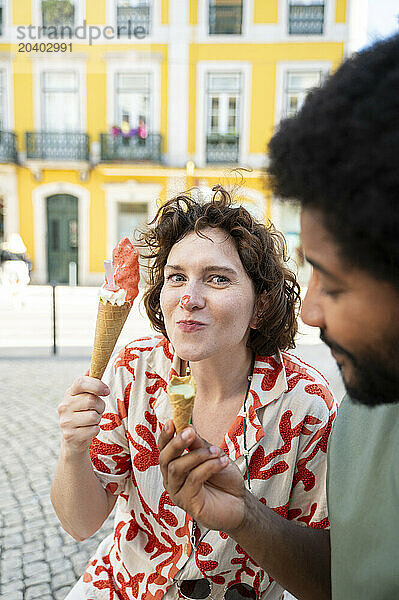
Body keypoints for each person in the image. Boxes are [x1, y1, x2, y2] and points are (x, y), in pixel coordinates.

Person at [158, 34, 399, 600]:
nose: (311, 310)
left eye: (334, 284)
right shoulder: (365, 418)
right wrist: (245, 515)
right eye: (174, 276)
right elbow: (346, 576)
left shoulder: (314, 404)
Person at [51, 188, 338, 600]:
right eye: (176, 277)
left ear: (261, 305)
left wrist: (246, 518)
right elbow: (79, 523)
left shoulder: (306, 404)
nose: (188, 298)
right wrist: (73, 449)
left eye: (217, 278)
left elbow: (321, 569)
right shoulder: (133, 373)